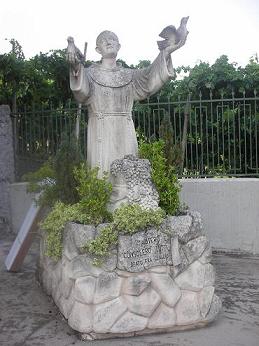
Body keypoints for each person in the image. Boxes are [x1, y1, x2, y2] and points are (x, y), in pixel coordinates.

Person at [66, 29, 187, 208]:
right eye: (104, 40)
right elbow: (81, 92)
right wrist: (76, 66)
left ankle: (131, 208)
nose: (109, 41)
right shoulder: (89, 74)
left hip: (125, 130)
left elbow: (149, 79)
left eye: (113, 39)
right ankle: (101, 209)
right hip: (100, 129)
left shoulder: (129, 76)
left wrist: (166, 52)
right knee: (102, 176)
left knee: (128, 175)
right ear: (97, 49)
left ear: (119, 46)